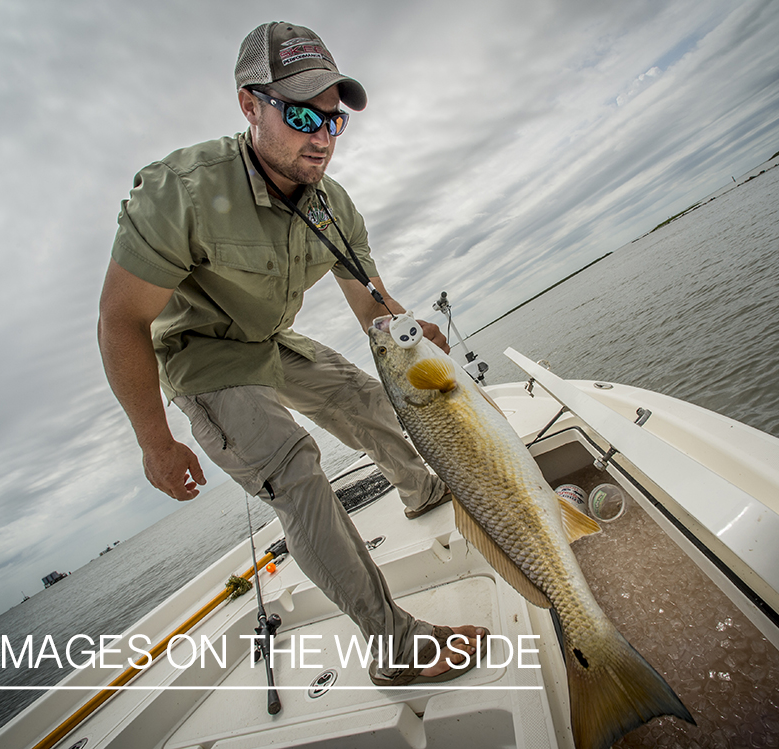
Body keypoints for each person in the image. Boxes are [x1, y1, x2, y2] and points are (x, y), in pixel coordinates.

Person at [97, 20, 485, 685]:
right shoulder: (181, 191)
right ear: (249, 106)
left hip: (267, 338)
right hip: (201, 354)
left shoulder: (332, 205)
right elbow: (119, 321)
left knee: (367, 400)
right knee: (295, 468)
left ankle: (423, 488)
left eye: (334, 121)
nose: (322, 137)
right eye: (303, 114)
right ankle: (393, 645)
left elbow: (371, 305)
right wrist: (154, 441)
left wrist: (407, 329)